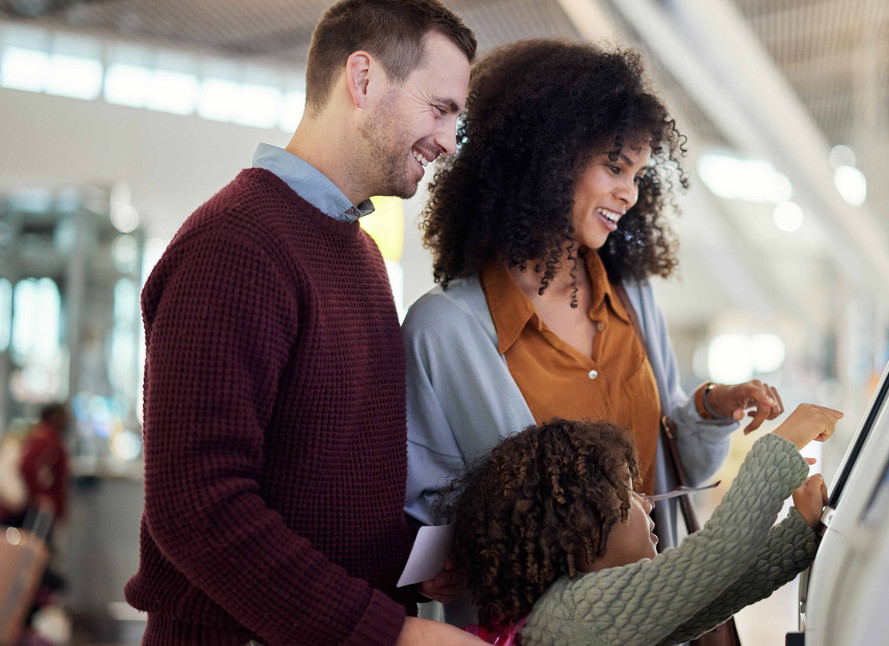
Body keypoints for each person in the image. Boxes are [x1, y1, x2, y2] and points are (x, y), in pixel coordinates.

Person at [123, 2, 485, 644]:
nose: (449, 141)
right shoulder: (236, 243)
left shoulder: (360, 251)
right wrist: (389, 634)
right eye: (441, 109)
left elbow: (318, 477)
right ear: (364, 79)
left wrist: (412, 557)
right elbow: (198, 506)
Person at [405, 38, 786, 559]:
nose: (629, 193)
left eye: (637, 174)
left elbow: (675, 468)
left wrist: (710, 407)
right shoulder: (443, 330)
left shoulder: (632, 299)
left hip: (654, 621)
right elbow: (426, 512)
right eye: (614, 167)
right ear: (549, 156)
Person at [443, 403, 841, 646]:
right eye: (627, 494)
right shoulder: (577, 614)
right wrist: (780, 445)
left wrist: (798, 531)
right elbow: (715, 557)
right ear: (579, 530)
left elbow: (716, 594)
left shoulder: (558, 615)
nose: (646, 501)